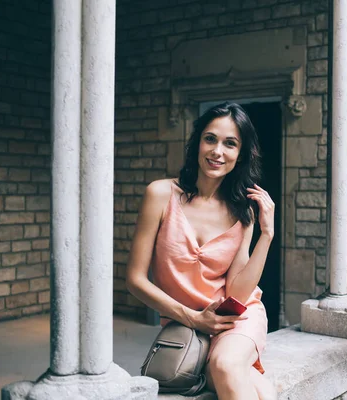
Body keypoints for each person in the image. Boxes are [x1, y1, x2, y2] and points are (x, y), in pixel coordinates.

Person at [126, 102, 278, 400]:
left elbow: (238, 292)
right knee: (252, 386)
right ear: (197, 142)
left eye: (230, 144)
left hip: (234, 319)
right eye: (210, 139)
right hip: (189, 326)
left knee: (224, 365)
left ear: (241, 154)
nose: (217, 151)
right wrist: (194, 319)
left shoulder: (241, 211)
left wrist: (267, 235)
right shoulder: (160, 194)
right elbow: (135, 280)